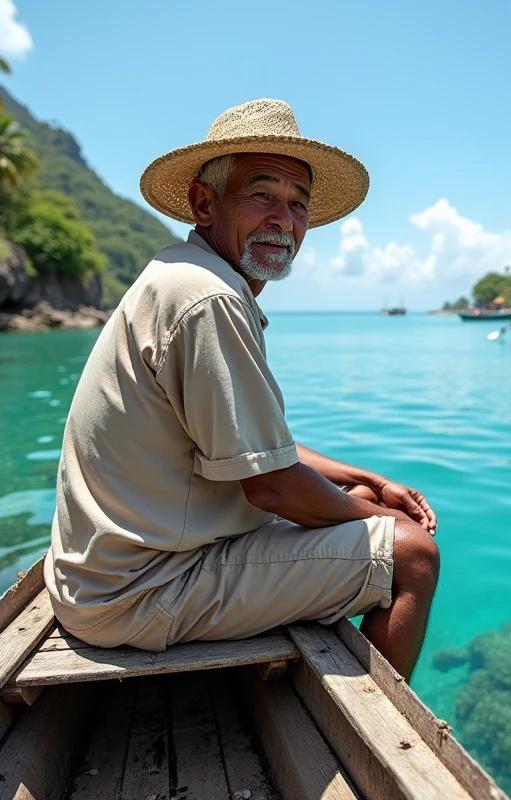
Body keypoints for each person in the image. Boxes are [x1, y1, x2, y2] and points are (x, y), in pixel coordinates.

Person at [44, 99, 439, 678]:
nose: (284, 220)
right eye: (262, 195)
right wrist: (380, 523)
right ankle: (373, 740)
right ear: (205, 203)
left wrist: (368, 482)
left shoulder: (187, 276)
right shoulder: (209, 298)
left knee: (374, 513)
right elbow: (272, 487)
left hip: (109, 575)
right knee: (413, 556)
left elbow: (256, 450)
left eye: (298, 203)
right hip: (139, 593)